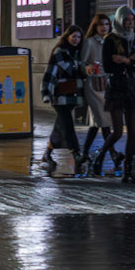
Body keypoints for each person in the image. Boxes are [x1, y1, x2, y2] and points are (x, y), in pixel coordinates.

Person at [96, 6, 135, 181]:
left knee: (133, 131)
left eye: (132, 20)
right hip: (117, 87)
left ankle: (128, 171)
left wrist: (125, 60)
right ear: (120, 20)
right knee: (118, 131)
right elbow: (108, 66)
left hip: (134, 87)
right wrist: (130, 61)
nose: (130, 23)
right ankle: (101, 154)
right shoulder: (110, 40)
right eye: (127, 20)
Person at [40, 26, 85, 172]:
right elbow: (50, 72)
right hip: (59, 94)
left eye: (79, 37)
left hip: (72, 94)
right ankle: (76, 153)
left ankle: (47, 153)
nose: (76, 40)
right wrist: (46, 92)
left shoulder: (79, 52)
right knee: (68, 124)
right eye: (74, 36)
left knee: (60, 125)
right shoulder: (59, 52)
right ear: (67, 37)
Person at [81, 11, 113, 168]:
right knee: (104, 121)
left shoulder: (111, 41)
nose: (104, 27)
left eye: (106, 24)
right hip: (93, 86)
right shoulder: (90, 42)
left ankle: (85, 153)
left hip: (107, 85)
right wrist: (87, 68)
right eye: (101, 24)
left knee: (97, 123)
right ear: (95, 26)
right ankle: (112, 153)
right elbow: (82, 62)